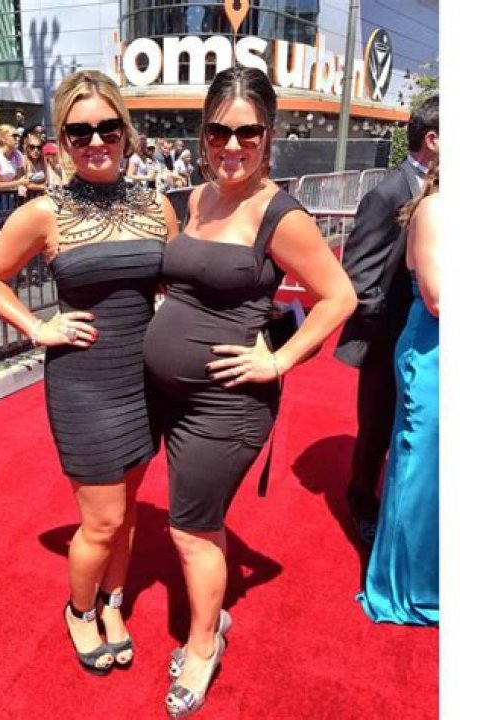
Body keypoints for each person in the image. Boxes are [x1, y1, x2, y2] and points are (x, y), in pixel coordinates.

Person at [142, 66, 356, 717]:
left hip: (227, 404)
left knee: (189, 528)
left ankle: (202, 644)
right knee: (200, 522)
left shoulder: (279, 215)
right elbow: (180, 276)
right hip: (170, 398)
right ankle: (213, 616)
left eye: (247, 133)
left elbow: (338, 296)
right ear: (203, 133)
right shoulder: (196, 200)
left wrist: (279, 358)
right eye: (218, 132)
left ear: (270, 135)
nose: (231, 146)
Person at [0, 69, 179, 676]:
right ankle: (79, 610)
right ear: (61, 139)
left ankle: (113, 603)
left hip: (145, 378)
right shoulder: (45, 212)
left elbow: (178, 279)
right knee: (103, 518)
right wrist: (37, 328)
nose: (95, 140)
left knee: (130, 507)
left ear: (126, 132)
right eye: (79, 130)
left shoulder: (156, 205)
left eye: (107, 127)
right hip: (85, 383)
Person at [334, 96, 439, 546]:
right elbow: (357, 275)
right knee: (376, 427)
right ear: (433, 140)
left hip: (425, 334)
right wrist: (385, 331)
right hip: (390, 336)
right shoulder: (388, 193)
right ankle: (361, 501)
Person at [357, 157, 439, 626]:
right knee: (410, 458)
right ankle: (407, 579)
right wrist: (371, 327)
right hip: (421, 345)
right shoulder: (422, 205)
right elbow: (362, 269)